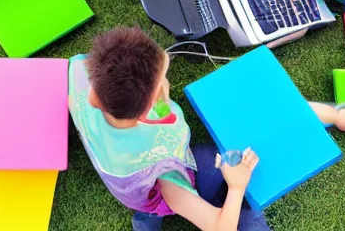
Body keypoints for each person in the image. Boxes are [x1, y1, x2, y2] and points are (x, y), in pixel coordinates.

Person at [69, 27, 270, 230]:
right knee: (206, 167)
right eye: (163, 78)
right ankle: (148, 219)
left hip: (121, 177)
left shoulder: (81, 76)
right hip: (155, 190)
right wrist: (237, 186)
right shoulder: (163, 167)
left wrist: (160, 103)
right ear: (151, 104)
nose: (166, 80)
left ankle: (146, 221)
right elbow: (220, 228)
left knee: (152, 207)